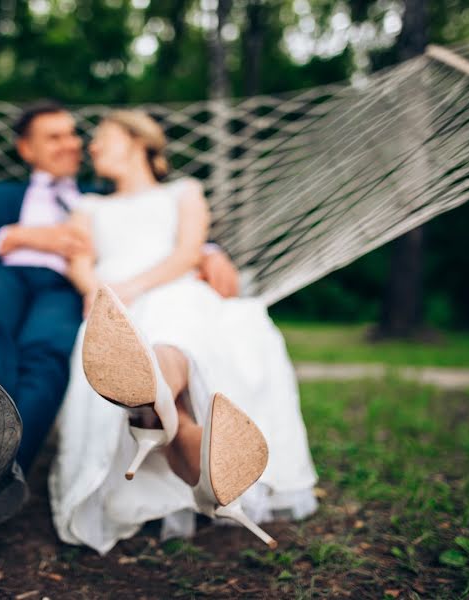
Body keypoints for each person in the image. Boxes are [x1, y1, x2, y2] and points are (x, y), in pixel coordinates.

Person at [0, 101, 243, 589]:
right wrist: (19, 236)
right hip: (0, 274)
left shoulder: (95, 195)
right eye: (54, 137)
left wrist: (209, 251)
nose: (71, 144)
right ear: (26, 149)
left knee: (46, 361)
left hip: (66, 293)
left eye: (73, 135)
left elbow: (147, 224)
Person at [49, 110, 318, 555]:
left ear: (137, 141)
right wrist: (107, 300)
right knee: (159, 384)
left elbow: (186, 253)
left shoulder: (184, 192)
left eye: (102, 138)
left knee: (172, 323)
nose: (91, 148)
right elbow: (79, 265)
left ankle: (145, 397)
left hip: (172, 287)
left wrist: (131, 290)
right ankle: (177, 432)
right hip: (112, 302)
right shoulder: (87, 207)